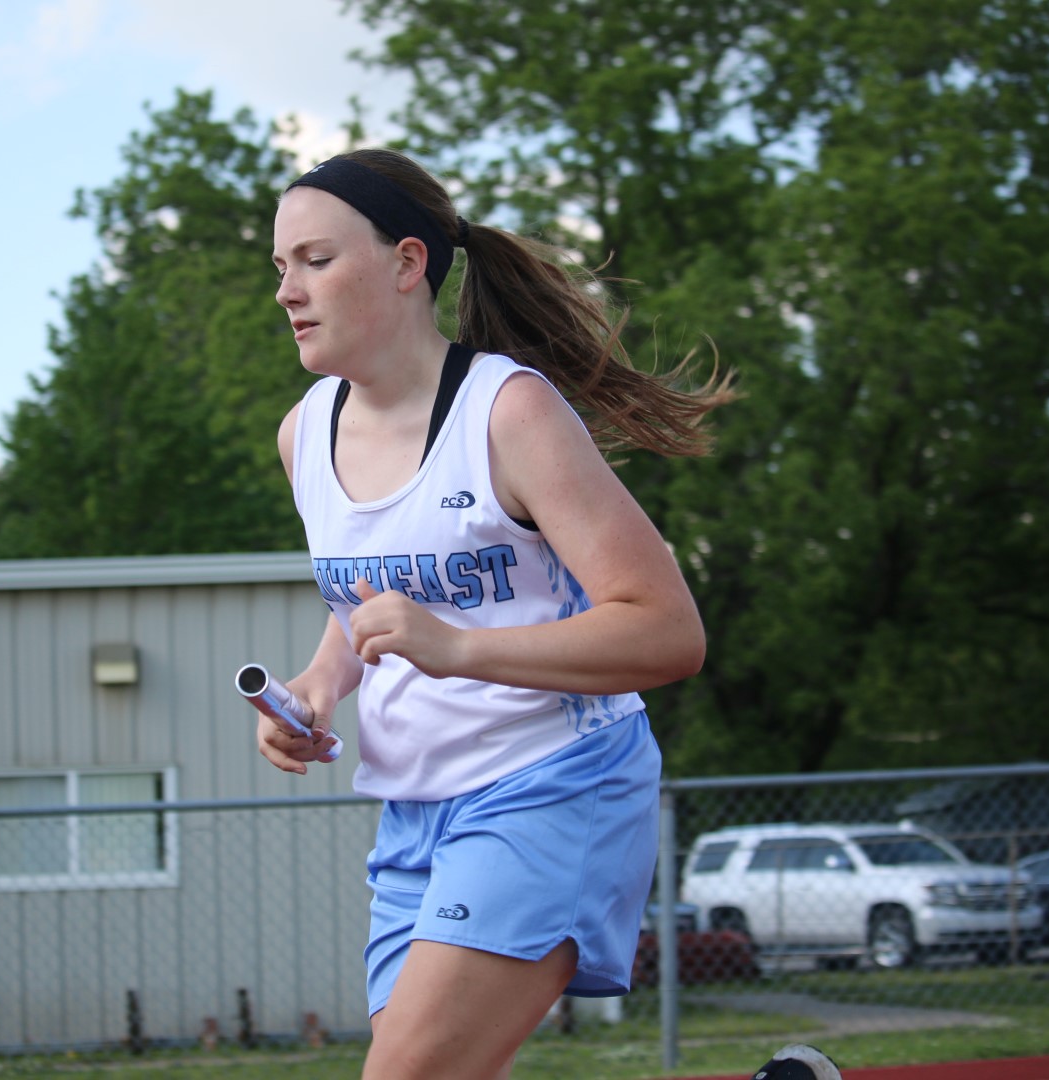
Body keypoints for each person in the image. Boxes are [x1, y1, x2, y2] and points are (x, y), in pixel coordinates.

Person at [257, 147, 734, 1080]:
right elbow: (372, 598)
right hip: (414, 810)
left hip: (552, 782)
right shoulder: (303, 432)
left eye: (316, 260)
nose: (287, 290)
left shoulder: (509, 413)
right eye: (280, 266)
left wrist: (459, 649)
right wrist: (316, 684)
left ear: (407, 262)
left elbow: (667, 631)